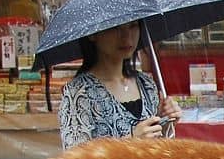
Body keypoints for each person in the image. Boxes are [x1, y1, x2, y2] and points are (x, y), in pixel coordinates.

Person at [58, 20, 180, 150]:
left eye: (133, 26)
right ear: (92, 34)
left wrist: (164, 122)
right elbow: (75, 157)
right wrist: (131, 141)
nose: (127, 36)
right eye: (115, 27)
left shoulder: (146, 84)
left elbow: (159, 149)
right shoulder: (78, 92)